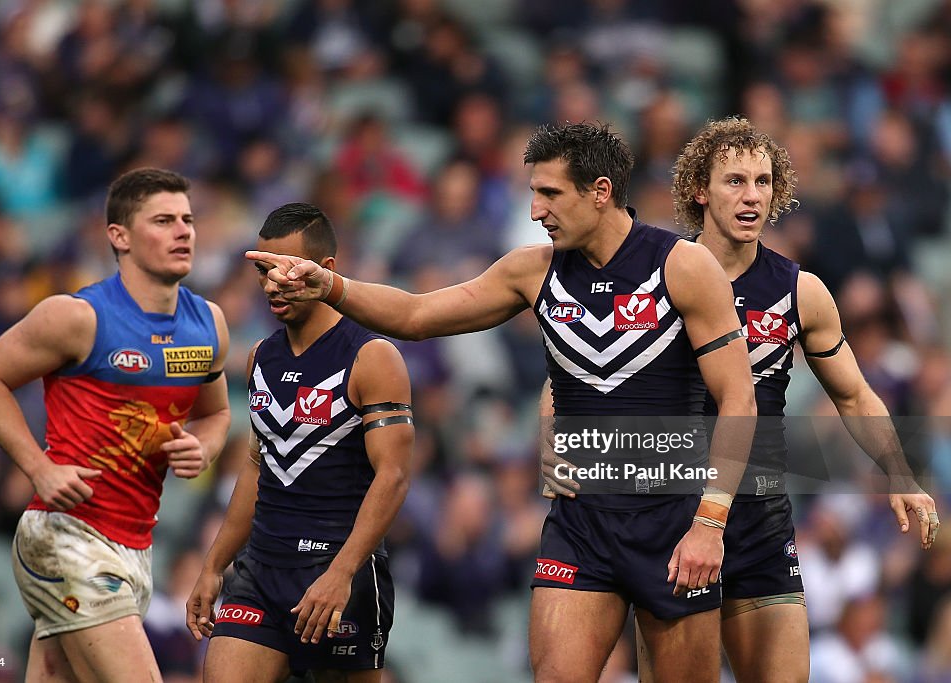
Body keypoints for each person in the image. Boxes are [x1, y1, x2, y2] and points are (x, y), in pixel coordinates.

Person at [246, 123, 757, 683]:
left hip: (673, 521)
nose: (535, 210)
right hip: (580, 524)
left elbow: (738, 398)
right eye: (533, 193)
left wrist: (710, 523)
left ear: (601, 191)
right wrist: (332, 287)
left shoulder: (682, 265)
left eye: (550, 193)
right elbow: (417, 316)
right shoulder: (530, 271)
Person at [548, 117, 941, 683]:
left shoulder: (800, 292)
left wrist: (899, 474)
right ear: (699, 191)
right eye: (735, 180)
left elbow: (855, 396)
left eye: (762, 181)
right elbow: (576, 368)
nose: (751, 194)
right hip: (671, 518)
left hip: (758, 520)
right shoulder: (654, 275)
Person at [0, 167, 231, 682]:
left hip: (136, 547)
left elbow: (216, 413)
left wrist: (206, 446)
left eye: (188, 219)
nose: (184, 231)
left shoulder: (209, 323)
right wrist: (38, 468)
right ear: (120, 236)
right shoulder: (76, 317)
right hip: (68, 537)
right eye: (164, 220)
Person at [186, 202, 414, 683]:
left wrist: (342, 573)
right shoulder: (259, 357)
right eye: (263, 269)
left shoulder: (372, 357)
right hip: (260, 571)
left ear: (325, 270)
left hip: (336, 573)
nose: (271, 284)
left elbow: (393, 476)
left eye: (286, 270)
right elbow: (256, 463)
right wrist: (214, 565)